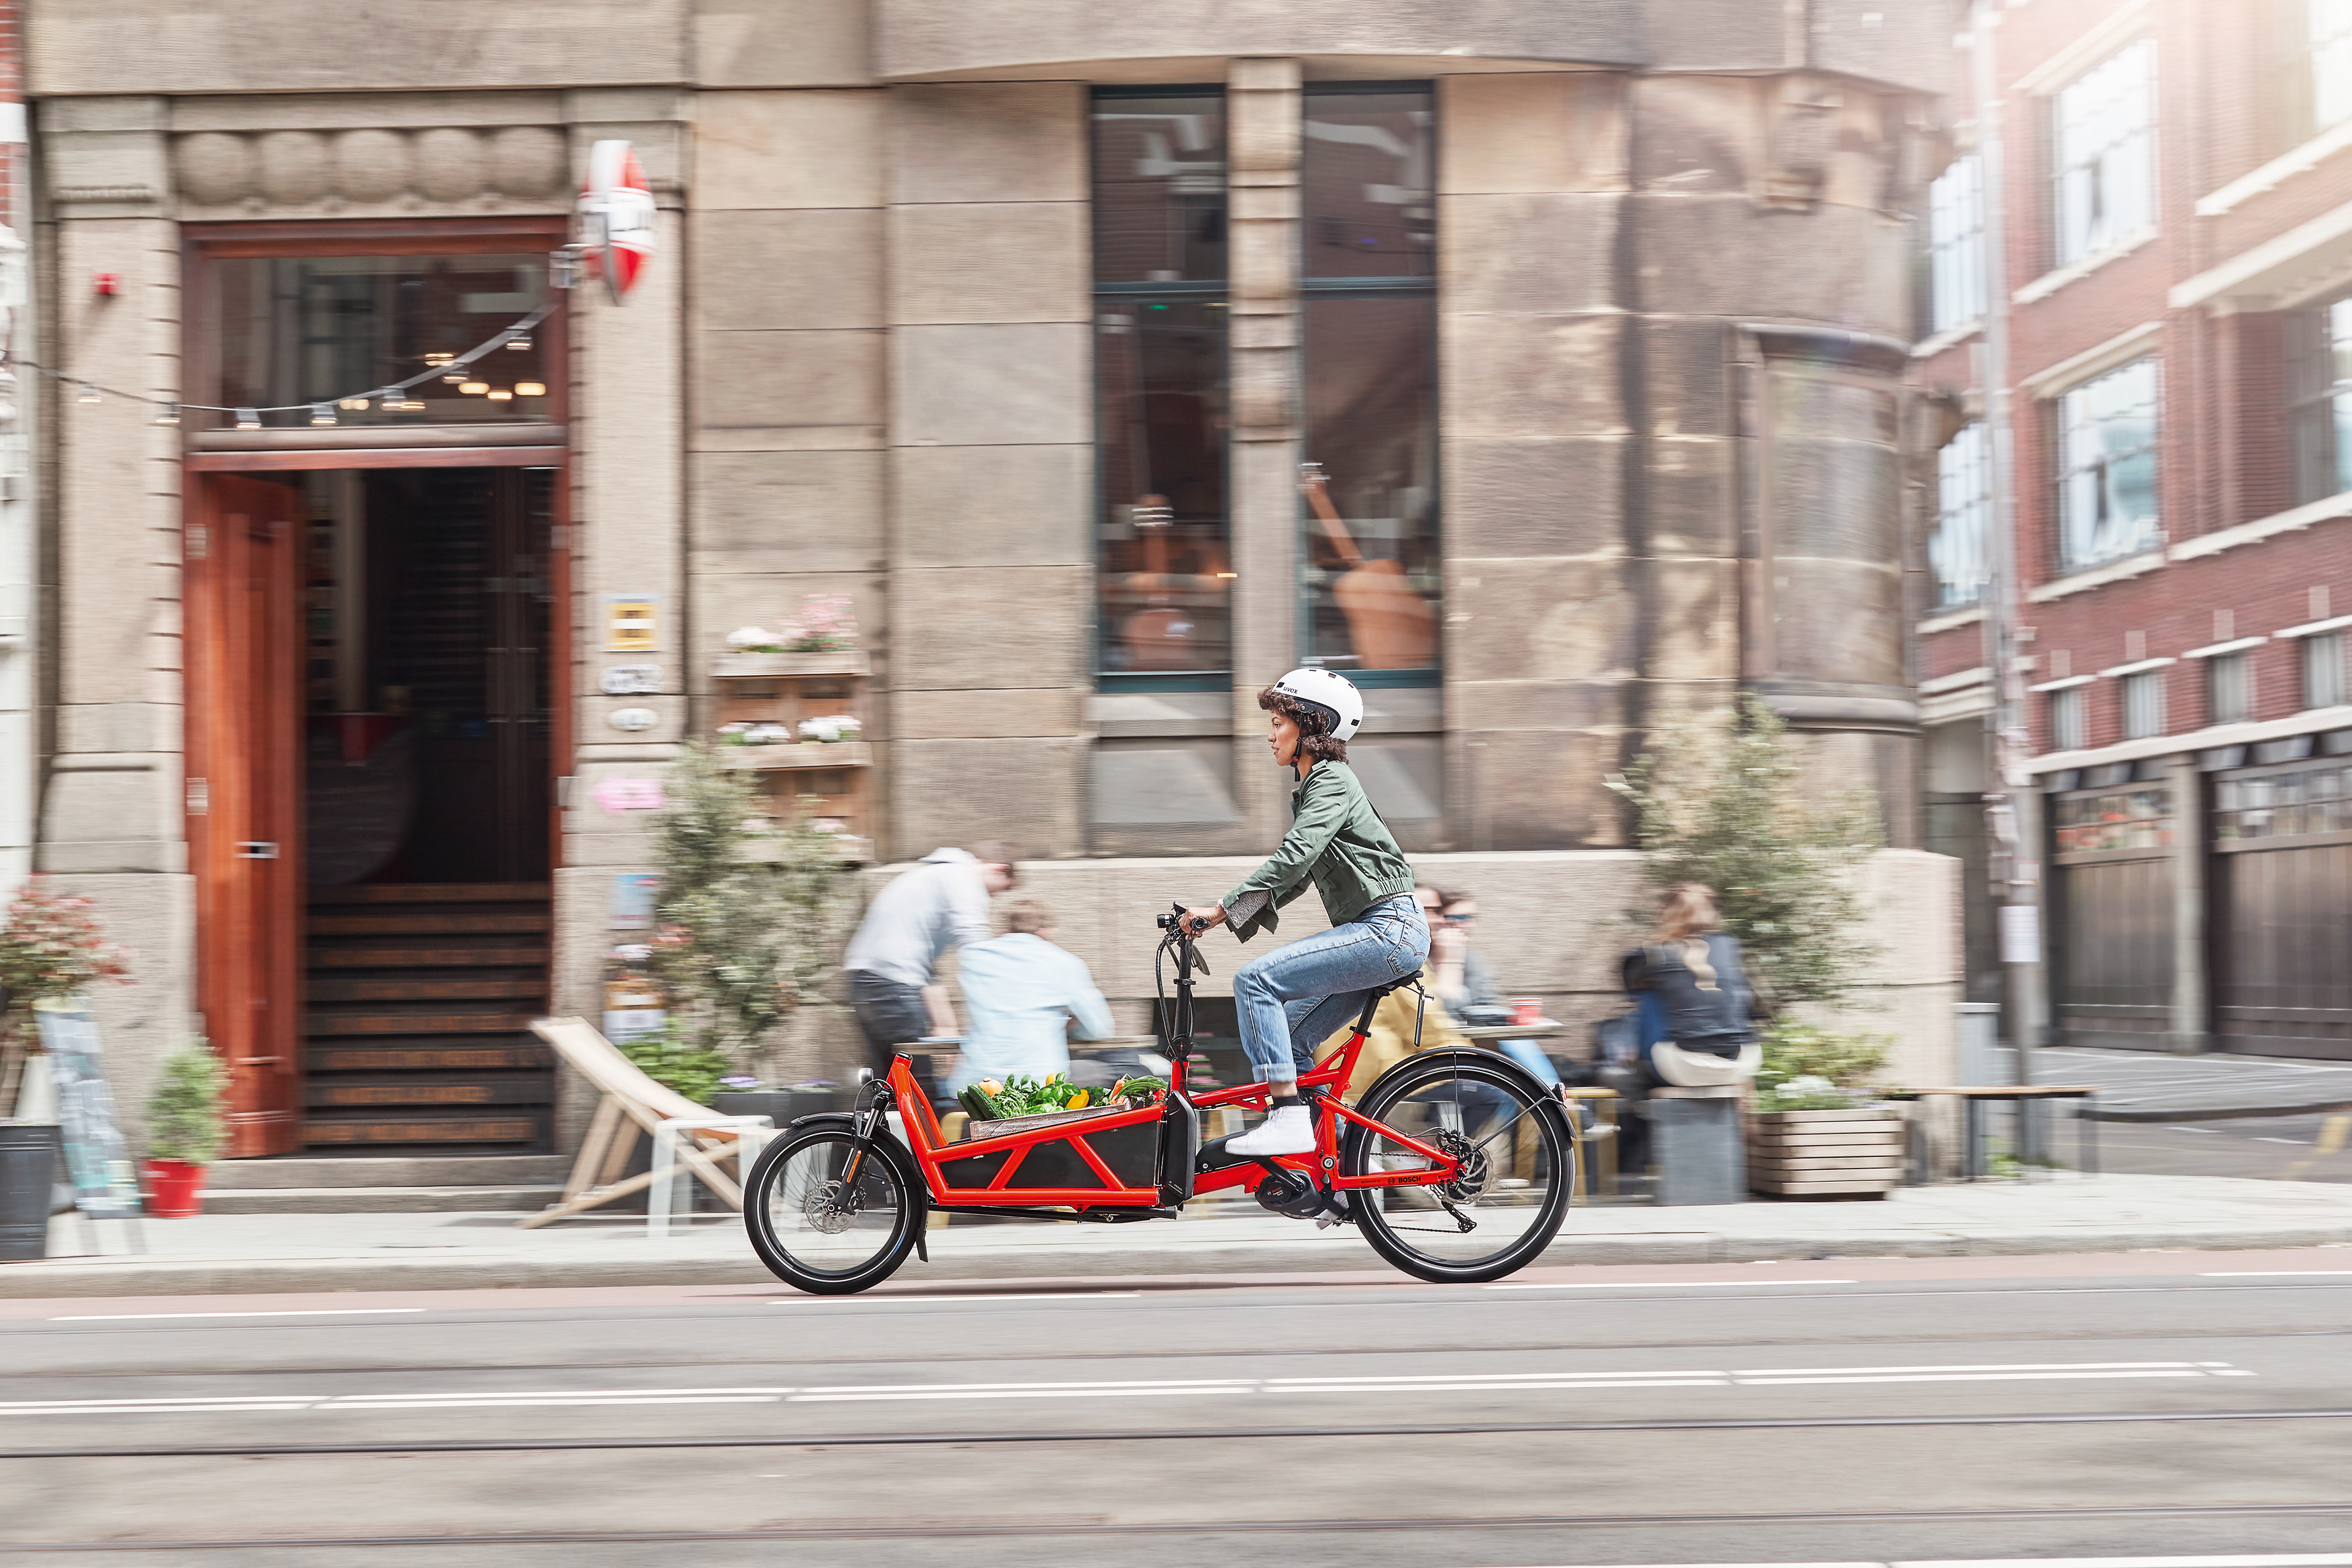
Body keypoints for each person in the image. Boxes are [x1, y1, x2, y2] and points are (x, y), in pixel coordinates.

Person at [1178, 668, 1429, 1157]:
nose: (1270, 733)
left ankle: (1288, 1117)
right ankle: (1326, 1171)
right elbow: (1295, 875)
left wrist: (1220, 909)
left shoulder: (1331, 779)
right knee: (1287, 1034)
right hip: (1380, 931)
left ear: (1311, 725)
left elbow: (1294, 855)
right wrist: (1222, 918)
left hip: (1388, 929)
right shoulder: (1317, 787)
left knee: (1256, 982)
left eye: (1278, 722)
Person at [841, 842, 1020, 1075]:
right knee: (918, 1086)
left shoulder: (934, 874)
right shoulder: (963, 877)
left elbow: (925, 965)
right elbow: (976, 944)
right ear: (1000, 869)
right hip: (891, 984)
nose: (993, 897)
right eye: (1000, 890)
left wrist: (944, 1022)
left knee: (889, 1084)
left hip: (868, 980)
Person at [946, 899, 1114, 1095]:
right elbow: (1100, 1029)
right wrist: (1067, 1026)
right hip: (1036, 1086)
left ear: (1006, 928)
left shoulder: (973, 957)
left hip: (975, 1085)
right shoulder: (1063, 962)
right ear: (1046, 931)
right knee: (1098, 1073)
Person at [1621, 882, 1758, 1085]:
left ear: (1666, 912)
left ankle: (1639, 1068)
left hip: (1683, 1067)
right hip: (1742, 1063)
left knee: (1650, 996)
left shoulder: (1650, 953)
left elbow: (1632, 992)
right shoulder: (1729, 945)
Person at [1429, 886, 1561, 1089]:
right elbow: (1445, 1010)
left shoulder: (1472, 959)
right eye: (1455, 917)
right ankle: (1556, 1101)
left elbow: (1486, 1002)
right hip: (1439, 1043)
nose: (1464, 925)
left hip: (1477, 1041)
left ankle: (1554, 1098)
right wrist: (1449, 961)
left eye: (1469, 918)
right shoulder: (1424, 960)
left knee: (1517, 1048)